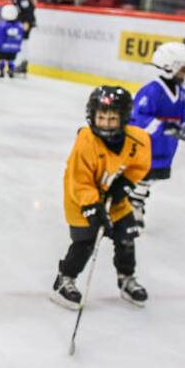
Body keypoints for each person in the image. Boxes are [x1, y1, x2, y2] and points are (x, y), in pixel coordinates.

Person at [51, 86, 151, 309]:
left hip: (113, 196)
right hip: (80, 197)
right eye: (102, 117)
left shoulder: (139, 140)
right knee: (86, 241)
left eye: (112, 118)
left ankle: (126, 278)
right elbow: (79, 179)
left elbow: (140, 165)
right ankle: (64, 279)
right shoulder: (86, 141)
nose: (106, 123)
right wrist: (92, 207)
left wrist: (124, 184)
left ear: (123, 118)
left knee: (126, 236)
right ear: (92, 116)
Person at [127, 42, 185, 230]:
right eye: (183, 70)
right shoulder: (152, 91)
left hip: (167, 146)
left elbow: (182, 115)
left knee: (152, 177)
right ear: (169, 66)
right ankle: (132, 204)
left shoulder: (182, 93)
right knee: (142, 175)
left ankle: (135, 201)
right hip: (148, 145)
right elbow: (138, 118)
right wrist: (163, 127)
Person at [2, 0, 36, 75]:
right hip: (22, 23)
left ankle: (23, 64)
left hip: (26, 23)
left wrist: (27, 23)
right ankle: (21, 63)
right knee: (20, 42)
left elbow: (29, 9)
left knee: (23, 42)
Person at [0, 4, 25, 78]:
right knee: (11, 60)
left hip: (3, 48)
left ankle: (2, 72)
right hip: (14, 48)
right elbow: (20, 38)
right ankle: (11, 72)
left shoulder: (2, 26)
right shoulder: (19, 26)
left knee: (2, 60)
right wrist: (18, 46)